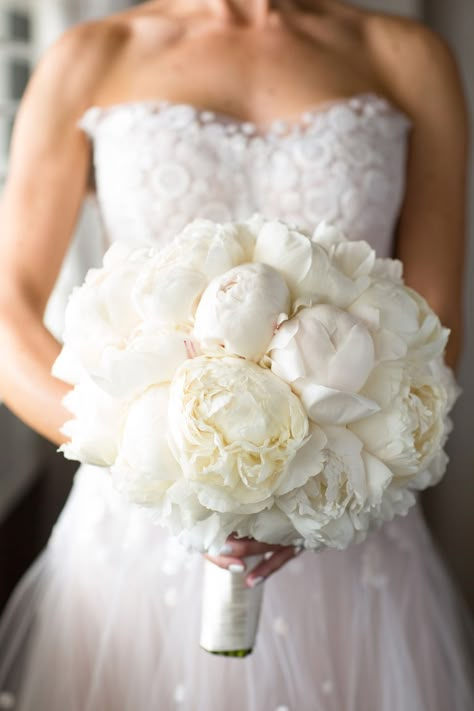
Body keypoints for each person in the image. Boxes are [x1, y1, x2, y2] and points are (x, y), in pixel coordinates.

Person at [0, 0, 472, 708]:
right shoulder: (92, 55)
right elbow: (7, 312)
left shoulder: (406, 56)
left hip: (346, 520)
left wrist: (311, 497)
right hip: (137, 527)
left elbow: (434, 330)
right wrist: (166, 466)